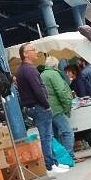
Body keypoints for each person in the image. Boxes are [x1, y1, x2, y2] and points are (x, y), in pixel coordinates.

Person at [16, 44, 66, 173]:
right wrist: (46, 105)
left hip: (30, 106)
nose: (35, 52)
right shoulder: (30, 70)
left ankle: (54, 162)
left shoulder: (21, 70)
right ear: (25, 54)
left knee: (47, 135)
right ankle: (50, 165)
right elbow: (38, 90)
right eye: (33, 50)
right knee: (46, 136)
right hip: (38, 106)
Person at [39, 56, 76, 155]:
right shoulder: (54, 74)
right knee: (68, 132)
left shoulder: (42, 75)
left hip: (48, 108)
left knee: (54, 135)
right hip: (57, 109)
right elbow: (61, 92)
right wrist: (67, 106)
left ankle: (59, 158)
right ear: (56, 65)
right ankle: (69, 156)